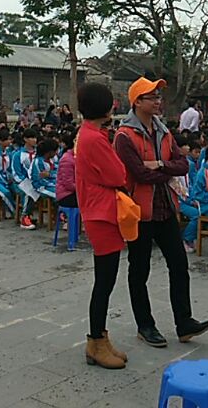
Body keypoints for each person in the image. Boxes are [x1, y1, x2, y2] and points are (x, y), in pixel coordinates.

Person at [113, 77, 208, 348]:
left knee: (179, 264)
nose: (158, 101)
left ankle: (184, 322)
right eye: (153, 97)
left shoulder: (163, 131)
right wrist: (166, 171)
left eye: (159, 96)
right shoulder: (124, 136)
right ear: (137, 102)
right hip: (140, 211)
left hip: (165, 207)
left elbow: (183, 165)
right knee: (139, 270)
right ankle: (145, 324)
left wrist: (159, 164)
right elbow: (139, 174)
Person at [75, 82, 129, 369]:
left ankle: (100, 338)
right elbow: (118, 174)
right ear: (106, 108)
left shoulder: (89, 133)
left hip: (98, 209)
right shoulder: (94, 139)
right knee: (104, 281)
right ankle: (95, 340)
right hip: (101, 212)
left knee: (105, 280)